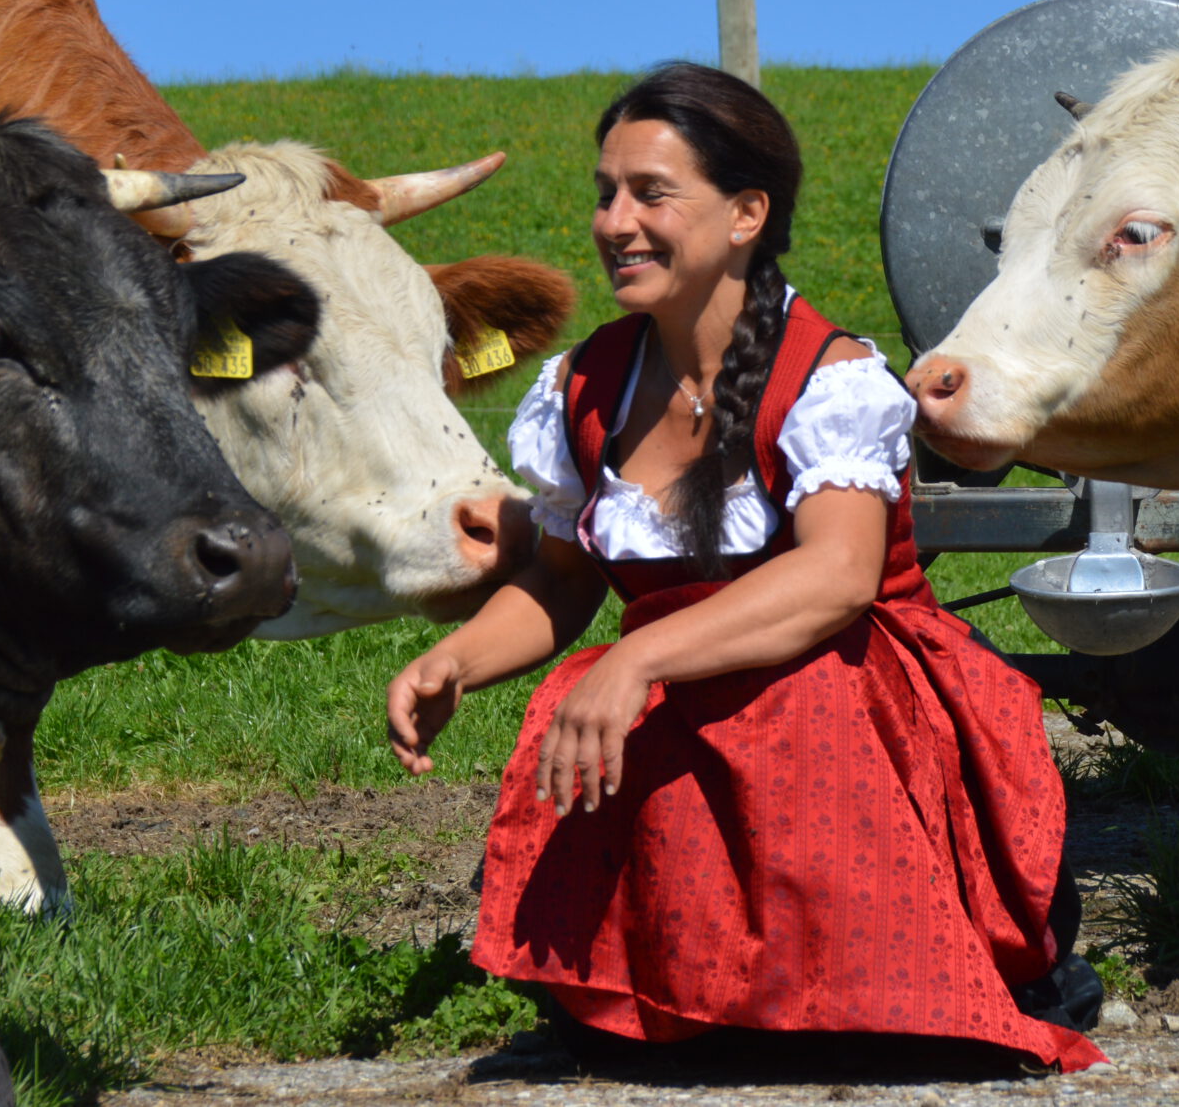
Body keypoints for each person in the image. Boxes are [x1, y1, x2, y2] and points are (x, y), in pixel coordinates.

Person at [386, 63, 1104, 1070]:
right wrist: (456, 660)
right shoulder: (586, 384)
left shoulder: (829, 375)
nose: (614, 220)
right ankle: (689, 983)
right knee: (604, 724)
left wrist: (636, 661)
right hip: (691, 714)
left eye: (650, 192)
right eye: (605, 192)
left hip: (849, 702)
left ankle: (885, 963)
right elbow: (561, 580)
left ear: (745, 214)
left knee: (796, 701)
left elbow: (836, 580)